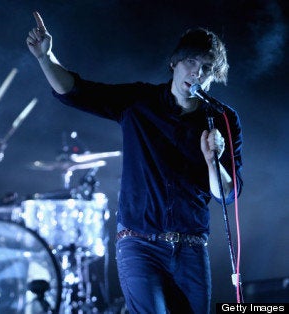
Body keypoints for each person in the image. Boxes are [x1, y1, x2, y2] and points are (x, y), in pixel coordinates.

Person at [27, 12, 243, 314]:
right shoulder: (139, 102)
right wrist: (46, 57)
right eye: (190, 62)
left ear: (213, 76)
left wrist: (213, 161)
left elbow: (228, 193)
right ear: (174, 64)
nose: (197, 73)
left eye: (206, 68)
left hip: (191, 248)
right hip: (141, 245)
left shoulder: (222, 119)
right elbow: (75, 92)